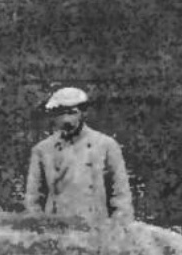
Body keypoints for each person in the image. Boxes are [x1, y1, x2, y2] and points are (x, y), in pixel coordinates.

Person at [24, 87, 134, 222]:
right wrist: (39, 226)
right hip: (57, 227)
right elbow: (33, 199)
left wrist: (119, 226)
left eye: (72, 113)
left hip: (95, 226)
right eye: (60, 114)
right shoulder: (42, 150)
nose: (66, 120)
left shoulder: (106, 145)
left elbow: (121, 195)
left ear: (83, 113)